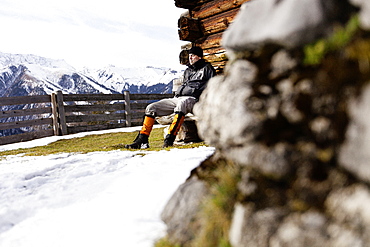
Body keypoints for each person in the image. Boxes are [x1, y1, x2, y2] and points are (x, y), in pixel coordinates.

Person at [125, 46, 216, 149]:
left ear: (199, 57)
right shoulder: (188, 71)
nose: (190, 58)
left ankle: (169, 139)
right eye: (190, 55)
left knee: (182, 104)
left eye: (193, 56)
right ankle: (142, 140)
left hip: (194, 100)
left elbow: (213, 86)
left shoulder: (207, 68)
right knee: (151, 107)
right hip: (178, 98)